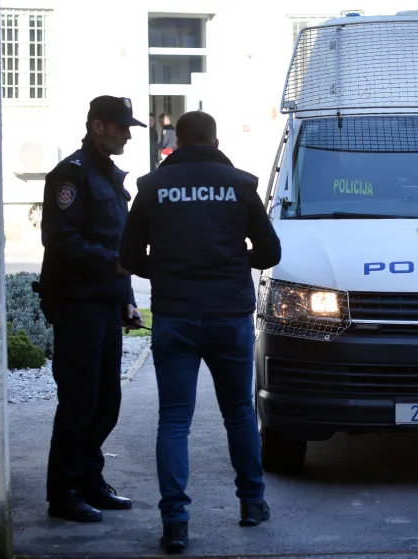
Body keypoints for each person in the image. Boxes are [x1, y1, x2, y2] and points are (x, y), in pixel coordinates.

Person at [119, 110, 282, 553]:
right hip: (228, 316)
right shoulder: (241, 186)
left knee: (174, 420)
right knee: (238, 414)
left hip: (177, 316)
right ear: (214, 140)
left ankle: (175, 522)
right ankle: (252, 503)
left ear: (177, 139)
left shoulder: (151, 188)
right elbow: (270, 252)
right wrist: (233, 261)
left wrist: (168, 271)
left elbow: (129, 254)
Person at [34, 95, 146, 523]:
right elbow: (60, 240)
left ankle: (90, 480)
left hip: (104, 303)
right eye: (121, 127)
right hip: (77, 305)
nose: (127, 134)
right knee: (79, 402)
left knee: (106, 401)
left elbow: (120, 245)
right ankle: (64, 493)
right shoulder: (70, 175)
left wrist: (127, 299)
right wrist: (111, 266)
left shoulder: (111, 177)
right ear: (97, 126)